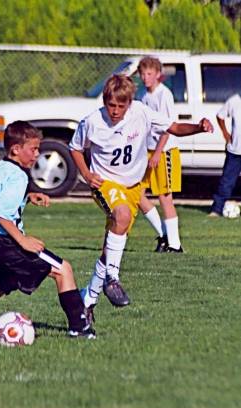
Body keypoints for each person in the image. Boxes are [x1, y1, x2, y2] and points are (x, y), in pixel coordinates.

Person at [69, 74, 213, 317]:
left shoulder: (141, 112)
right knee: (122, 215)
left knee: (109, 249)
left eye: (120, 106)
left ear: (130, 103)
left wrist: (198, 127)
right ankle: (112, 279)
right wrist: (86, 173)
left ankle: (87, 300)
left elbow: (173, 127)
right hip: (106, 184)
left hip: (133, 188)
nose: (114, 111)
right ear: (104, 101)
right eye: (110, 105)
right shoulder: (92, 122)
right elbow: (74, 147)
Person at [0, 120, 95, 340]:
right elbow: (0, 213)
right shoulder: (19, 175)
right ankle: (79, 328)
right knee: (63, 269)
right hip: (4, 243)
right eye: (33, 149)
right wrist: (22, 240)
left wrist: (27, 197)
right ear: (16, 149)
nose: (37, 154)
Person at [138, 56, 183, 252]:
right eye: (142, 74)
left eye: (149, 74)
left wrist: (157, 152)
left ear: (158, 75)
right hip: (146, 150)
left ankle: (175, 244)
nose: (145, 77)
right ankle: (163, 234)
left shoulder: (164, 95)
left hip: (163, 151)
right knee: (137, 194)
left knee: (165, 197)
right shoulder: (142, 94)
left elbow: (168, 127)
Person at [209, 93, 241, 216]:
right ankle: (216, 210)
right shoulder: (234, 100)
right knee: (226, 182)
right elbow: (220, 116)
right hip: (235, 151)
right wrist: (225, 133)